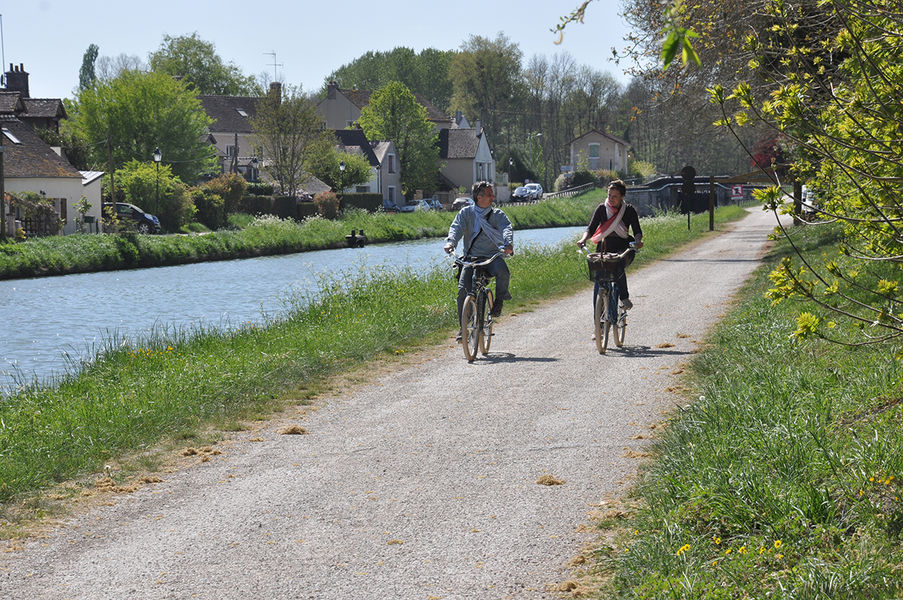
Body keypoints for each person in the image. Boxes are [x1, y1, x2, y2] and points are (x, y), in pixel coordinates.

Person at [444, 181, 514, 341]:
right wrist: (450, 243)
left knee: (503, 272)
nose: (493, 197)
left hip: (491, 257)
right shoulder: (466, 213)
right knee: (462, 290)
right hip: (470, 259)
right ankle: (463, 328)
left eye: (492, 194)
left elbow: (506, 228)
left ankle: (500, 300)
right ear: (479, 197)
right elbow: (456, 228)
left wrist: (508, 244)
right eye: (489, 194)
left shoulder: (497, 215)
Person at [576, 179, 643, 310]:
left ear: (622, 197)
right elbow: (591, 228)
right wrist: (583, 240)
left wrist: (638, 241)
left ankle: (624, 297)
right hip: (604, 247)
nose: (611, 199)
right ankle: (599, 321)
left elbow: (637, 231)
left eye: (615, 197)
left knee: (618, 265)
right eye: (609, 195)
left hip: (624, 247)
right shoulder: (602, 209)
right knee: (599, 274)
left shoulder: (629, 210)